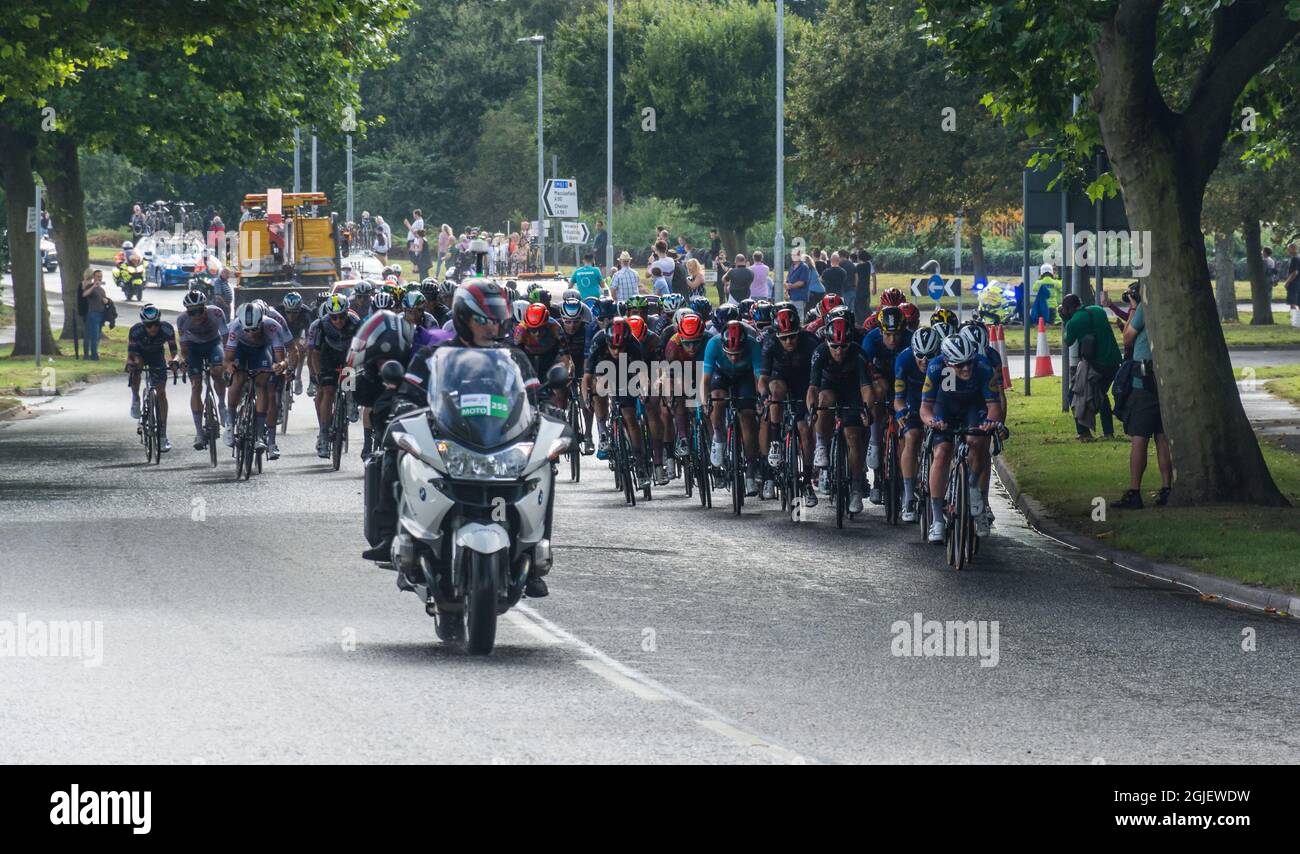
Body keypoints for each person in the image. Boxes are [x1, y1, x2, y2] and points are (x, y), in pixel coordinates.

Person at [920, 334, 1003, 542]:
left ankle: (973, 486)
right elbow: (925, 408)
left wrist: (990, 423)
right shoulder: (936, 367)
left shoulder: (983, 367)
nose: (966, 369)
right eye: (959, 366)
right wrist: (932, 422)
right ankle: (937, 519)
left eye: (968, 363)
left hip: (973, 408)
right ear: (947, 362)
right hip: (945, 408)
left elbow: (994, 406)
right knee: (941, 452)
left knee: (978, 441)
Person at [1112, 284, 1172, 509]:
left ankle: (1135, 491)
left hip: (1142, 382)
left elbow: (1127, 338)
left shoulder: (1144, 311)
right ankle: (1167, 488)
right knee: (1162, 435)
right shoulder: (1167, 308)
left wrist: (1134, 309)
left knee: (1139, 437)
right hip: (1163, 380)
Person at [1060, 292, 1121, 440]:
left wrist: (1066, 321)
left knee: (1074, 394)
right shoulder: (1098, 310)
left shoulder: (1074, 322)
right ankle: (1108, 433)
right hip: (1114, 361)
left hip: (1096, 365)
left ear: (1068, 309)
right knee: (1100, 395)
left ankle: (1084, 433)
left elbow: (1068, 341)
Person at [177, 289, 230, 449]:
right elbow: (184, 347)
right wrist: (184, 361)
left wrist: (228, 360)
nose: (197, 315)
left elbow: (226, 339)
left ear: (205, 307)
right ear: (187, 311)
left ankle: (221, 404)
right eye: (192, 312)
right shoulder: (182, 320)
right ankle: (199, 433)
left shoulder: (217, 313)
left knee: (216, 372)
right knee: (196, 386)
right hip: (193, 348)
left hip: (213, 343)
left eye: (200, 310)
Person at [126, 304, 181, 451]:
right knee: (137, 365)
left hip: (157, 357)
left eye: (156, 324)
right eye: (149, 325)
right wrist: (130, 364)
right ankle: (136, 398)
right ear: (144, 324)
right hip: (140, 354)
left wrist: (175, 361)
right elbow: (131, 354)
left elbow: (175, 351)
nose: (153, 328)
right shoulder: (135, 331)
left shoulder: (167, 329)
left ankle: (162, 435)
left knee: (161, 393)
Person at [80, 269, 108, 361]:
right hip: (93, 314)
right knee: (92, 335)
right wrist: (93, 287)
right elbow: (84, 294)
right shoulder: (90, 286)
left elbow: (105, 299)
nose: (100, 278)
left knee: (97, 335)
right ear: (94, 277)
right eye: (98, 276)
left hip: (101, 314)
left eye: (101, 276)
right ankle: (91, 355)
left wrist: (106, 301)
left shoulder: (101, 289)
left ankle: (93, 353)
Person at [784, 249, 814, 318]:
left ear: (799, 256)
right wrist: (786, 286)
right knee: (792, 317)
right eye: (792, 255)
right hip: (792, 296)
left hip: (800, 297)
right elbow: (788, 279)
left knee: (799, 318)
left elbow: (802, 282)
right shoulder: (792, 266)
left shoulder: (804, 267)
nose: (793, 257)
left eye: (795, 255)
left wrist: (790, 286)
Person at [1285, 242, 1300, 326]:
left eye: (1289, 248)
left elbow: (1295, 272)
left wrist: (1287, 282)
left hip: (1294, 284)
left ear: (1293, 249)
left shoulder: (1294, 259)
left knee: (1292, 302)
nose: (1288, 250)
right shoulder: (1299, 257)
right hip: (1298, 283)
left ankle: (1295, 323)